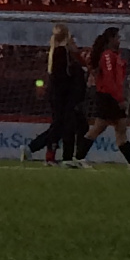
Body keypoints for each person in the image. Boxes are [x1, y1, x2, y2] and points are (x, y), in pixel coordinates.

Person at [25, 25, 89, 164]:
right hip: (65, 98)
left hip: (67, 97)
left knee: (68, 126)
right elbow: (65, 77)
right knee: (64, 126)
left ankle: (65, 156)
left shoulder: (64, 54)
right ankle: (67, 157)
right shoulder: (63, 53)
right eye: (72, 38)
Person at [84, 24, 130, 167]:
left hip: (112, 96)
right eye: (117, 37)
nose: (119, 40)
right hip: (107, 96)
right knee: (100, 127)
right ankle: (78, 156)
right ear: (111, 39)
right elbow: (110, 80)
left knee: (121, 127)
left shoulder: (114, 55)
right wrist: (119, 99)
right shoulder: (107, 55)